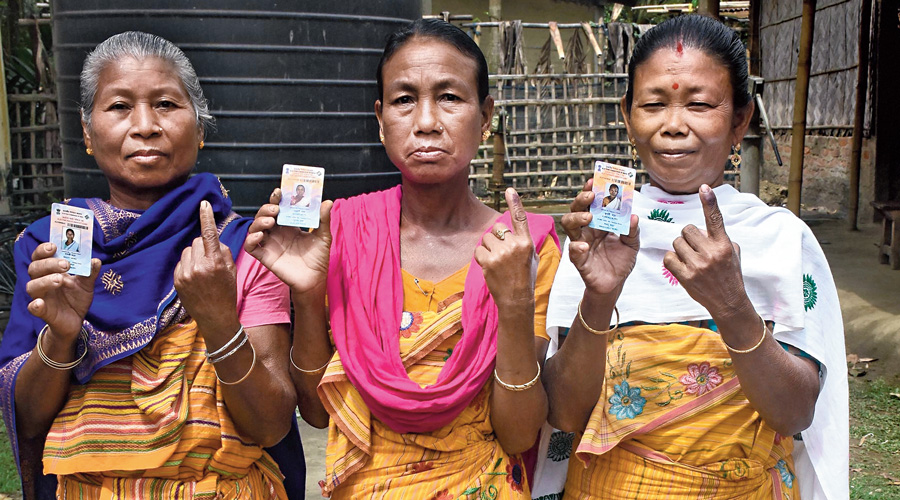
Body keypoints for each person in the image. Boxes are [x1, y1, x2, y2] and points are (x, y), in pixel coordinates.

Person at [245, 19, 561, 499]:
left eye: (450, 97)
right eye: (404, 99)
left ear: (486, 114)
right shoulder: (343, 233)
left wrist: (514, 307)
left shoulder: (523, 247)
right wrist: (307, 295)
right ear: (380, 117)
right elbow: (315, 412)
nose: (427, 121)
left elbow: (518, 435)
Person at [534, 15, 847, 500]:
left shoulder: (781, 239)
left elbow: (795, 413)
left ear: (739, 119)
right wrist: (599, 297)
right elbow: (565, 414)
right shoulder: (603, 233)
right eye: (654, 105)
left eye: (699, 105)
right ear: (627, 114)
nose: (674, 126)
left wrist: (731, 306)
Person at [0, 32, 307, 499]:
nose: (145, 125)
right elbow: (29, 417)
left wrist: (220, 319)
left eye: (165, 104)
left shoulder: (246, 249)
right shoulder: (53, 250)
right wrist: (61, 335)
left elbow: (269, 424)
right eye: (120, 107)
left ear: (200, 128)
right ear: (86, 132)